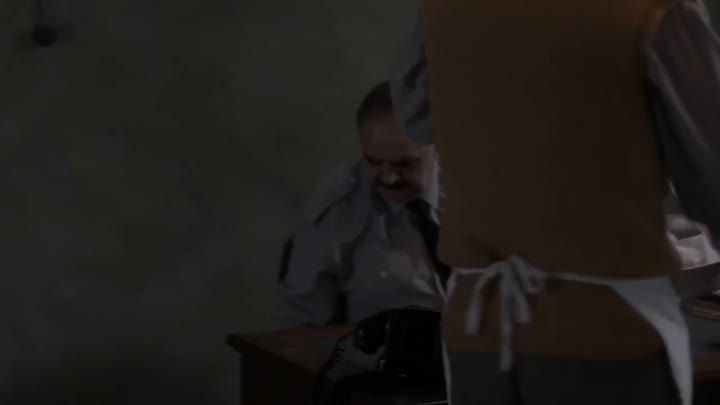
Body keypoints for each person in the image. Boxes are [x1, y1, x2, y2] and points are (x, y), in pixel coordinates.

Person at [390, 1, 720, 404]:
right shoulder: (653, 10)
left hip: (480, 332)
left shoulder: (445, 10)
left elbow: (417, 117)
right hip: (605, 334)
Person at [272, 81, 449, 329]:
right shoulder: (339, 209)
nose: (388, 178)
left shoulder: (477, 190)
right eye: (373, 161)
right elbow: (298, 319)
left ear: (439, 147)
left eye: (406, 164)